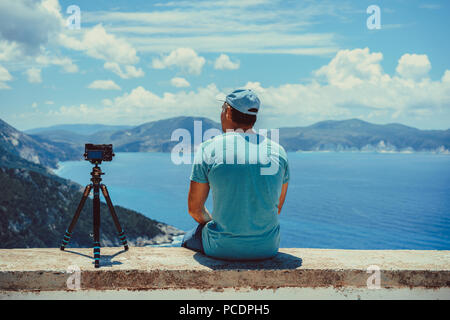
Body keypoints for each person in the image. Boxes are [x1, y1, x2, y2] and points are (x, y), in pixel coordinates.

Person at [181, 88, 289, 260]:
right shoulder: (278, 151)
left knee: (187, 238)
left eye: (222, 108)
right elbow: (277, 208)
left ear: (228, 112)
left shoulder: (209, 149)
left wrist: (218, 226)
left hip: (221, 248)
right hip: (267, 247)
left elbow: (195, 210)